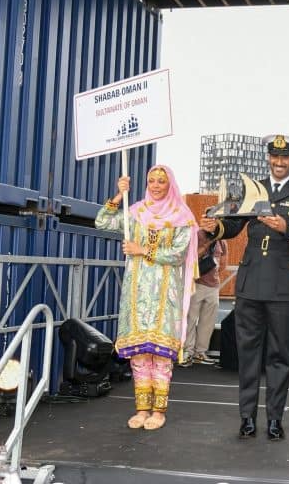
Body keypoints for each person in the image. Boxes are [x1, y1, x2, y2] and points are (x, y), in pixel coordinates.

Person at [199, 134, 289, 441]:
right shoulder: (254, 189)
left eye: (286, 157)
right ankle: (246, 418)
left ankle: (275, 419)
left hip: (283, 286)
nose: (279, 162)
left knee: (279, 355)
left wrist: (286, 227)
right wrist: (217, 228)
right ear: (269, 157)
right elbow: (235, 224)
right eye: (275, 157)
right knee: (248, 353)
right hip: (250, 284)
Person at [95, 165, 198, 431]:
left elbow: (177, 255)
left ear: (169, 184)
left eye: (160, 181)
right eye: (151, 180)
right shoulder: (136, 211)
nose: (155, 185)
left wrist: (141, 250)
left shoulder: (181, 216)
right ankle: (141, 409)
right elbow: (103, 221)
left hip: (165, 294)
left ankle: (158, 411)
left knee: (161, 356)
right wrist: (119, 195)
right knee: (139, 355)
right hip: (137, 292)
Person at [179, 232, 226, 367]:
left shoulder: (222, 240)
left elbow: (223, 262)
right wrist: (207, 245)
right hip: (196, 283)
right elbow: (191, 257)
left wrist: (215, 274)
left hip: (213, 286)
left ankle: (200, 352)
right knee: (190, 318)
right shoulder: (197, 235)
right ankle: (187, 351)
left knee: (208, 322)